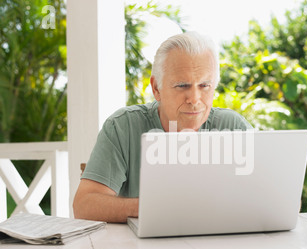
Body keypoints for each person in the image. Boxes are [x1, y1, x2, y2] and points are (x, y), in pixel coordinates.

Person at [73, 31, 252, 222]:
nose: (194, 99)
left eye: (204, 86)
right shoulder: (123, 127)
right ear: (156, 88)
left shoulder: (234, 128)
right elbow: (84, 206)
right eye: (182, 85)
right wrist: (158, 207)